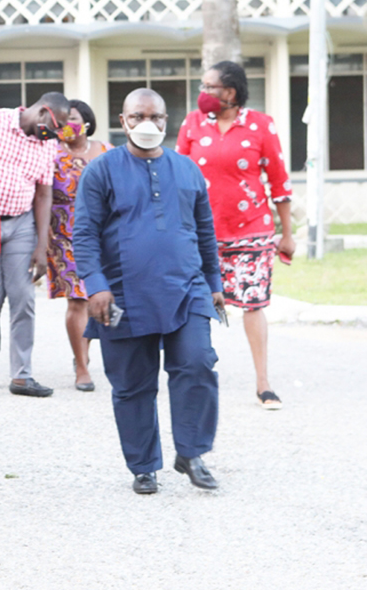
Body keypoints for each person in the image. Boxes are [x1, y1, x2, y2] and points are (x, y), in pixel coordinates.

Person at [72, 88, 224, 495]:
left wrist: (214, 284)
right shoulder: (101, 170)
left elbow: (205, 232)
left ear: (166, 121)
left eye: (156, 117)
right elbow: (83, 234)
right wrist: (97, 286)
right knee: (133, 384)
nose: (148, 124)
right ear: (123, 122)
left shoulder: (188, 169)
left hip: (186, 288)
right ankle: (143, 465)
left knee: (196, 365)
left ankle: (191, 452)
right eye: (138, 116)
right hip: (122, 295)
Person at [177, 60, 294, 410]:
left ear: (229, 92)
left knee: (253, 305)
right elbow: (179, 174)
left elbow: (279, 181)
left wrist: (286, 233)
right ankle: (193, 375)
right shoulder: (192, 123)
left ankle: (263, 383)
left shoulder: (261, 125)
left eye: (209, 87)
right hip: (201, 234)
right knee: (194, 307)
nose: (203, 93)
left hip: (251, 233)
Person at [0, 92, 69, 397]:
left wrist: (42, 245)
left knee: (24, 299)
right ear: (43, 111)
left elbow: (43, 194)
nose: (57, 132)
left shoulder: (47, 144)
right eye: (57, 124)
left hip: (22, 224)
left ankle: (22, 375)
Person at [45, 99, 112, 392]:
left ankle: (85, 353)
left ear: (86, 121)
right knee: (77, 299)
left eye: (71, 119)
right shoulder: (50, 153)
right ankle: (82, 367)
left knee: (97, 295)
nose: (64, 126)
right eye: (60, 121)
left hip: (103, 233)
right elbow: (41, 195)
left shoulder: (106, 151)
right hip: (63, 234)